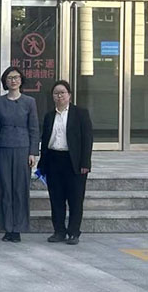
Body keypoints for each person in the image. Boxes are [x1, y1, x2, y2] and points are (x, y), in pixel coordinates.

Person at [38, 80, 93, 245]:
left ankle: (74, 232)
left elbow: (87, 140)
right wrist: (42, 164)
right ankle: (59, 231)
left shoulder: (80, 113)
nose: (59, 96)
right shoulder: (49, 116)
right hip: (54, 160)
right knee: (56, 199)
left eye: (62, 93)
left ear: (69, 95)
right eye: (56, 93)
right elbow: (45, 140)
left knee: (75, 199)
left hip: (73, 162)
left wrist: (85, 163)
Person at [0, 67, 39, 243]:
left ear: (21, 80)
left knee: (20, 189)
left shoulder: (29, 102)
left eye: (16, 77)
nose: (13, 81)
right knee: (4, 188)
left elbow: (34, 128)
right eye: (10, 78)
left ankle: (18, 228)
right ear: (5, 81)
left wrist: (33, 152)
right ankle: (7, 227)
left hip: (22, 148)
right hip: (3, 147)